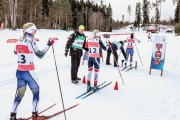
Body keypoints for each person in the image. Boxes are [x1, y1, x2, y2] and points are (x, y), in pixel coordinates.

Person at [10, 23, 56, 120]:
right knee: (36, 92)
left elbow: (15, 52)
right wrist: (49, 44)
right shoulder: (30, 41)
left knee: (19, 94)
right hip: (29, 72)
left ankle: (12, 116)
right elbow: (40, 54)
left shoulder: (19, 40)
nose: (35, 33)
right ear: (31, 31)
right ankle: (35, 115)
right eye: (34, 31)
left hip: (19, 71)